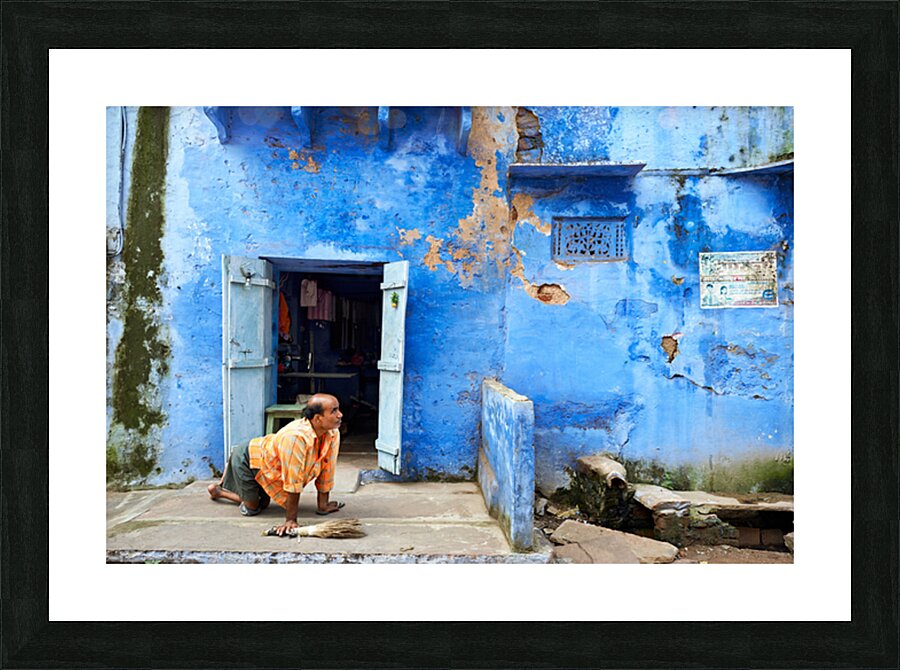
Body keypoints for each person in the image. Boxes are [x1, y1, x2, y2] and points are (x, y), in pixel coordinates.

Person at [207, 393, 345, 536]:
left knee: (265, 504)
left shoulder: (332, 432)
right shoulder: (296, 437)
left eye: (338, 409)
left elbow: (327, 467)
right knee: (252, 508)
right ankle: (218, 492)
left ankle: (250, 492)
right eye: (333, 411)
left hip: (269, 464)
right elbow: (293, 480)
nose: (340, 415)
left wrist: (323, 505)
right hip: (248, 458)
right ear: (318, 418)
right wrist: (290, 520)